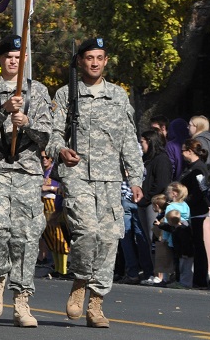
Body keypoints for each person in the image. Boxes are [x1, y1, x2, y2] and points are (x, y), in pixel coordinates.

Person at [46, 37, 143, 328]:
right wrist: (60, 150)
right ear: (80, 61)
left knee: (110, 238)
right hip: (77, 176)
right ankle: (80, 280)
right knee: (86, 232)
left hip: (111, 178)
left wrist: (135, 178)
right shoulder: (66, 95)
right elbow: (52, 133)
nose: (95, 63)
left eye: (100, 57)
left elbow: (128, 139)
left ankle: (96, 303)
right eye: (89, 57)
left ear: (106, 61)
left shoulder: (118, 96)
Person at [0, 35, 51, 327]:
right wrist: (4, 110)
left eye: (18, 56)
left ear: (24, 60)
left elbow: (46, 135)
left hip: (26, 170)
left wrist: (27, 123)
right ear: (0, 60)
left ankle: (21, 299)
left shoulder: (38, 91)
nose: (13, 61)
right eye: (8, 57)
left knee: (25, 237)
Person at [137, 130, 172, 273]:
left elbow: (161, 184)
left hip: (154, 203)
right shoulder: (147, 159)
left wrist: (146, 198)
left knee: (156, 237)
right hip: (144, 203)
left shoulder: (161, 159)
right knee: (148, 238)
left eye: (142, 142)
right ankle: (153, 271)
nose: (141, 145)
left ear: (150, 141)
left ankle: (161, 273)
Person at [179, 138, 210, 289]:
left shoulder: (199, 168)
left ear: (190, 152)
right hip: (189, 210)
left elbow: (202, 190)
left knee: (198, 245)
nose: (181, 154)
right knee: (191, 244)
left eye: (183, 151)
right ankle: (189, 277)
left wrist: (186, 203)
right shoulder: (189, 167)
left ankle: (200, 279)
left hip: (196, 211)